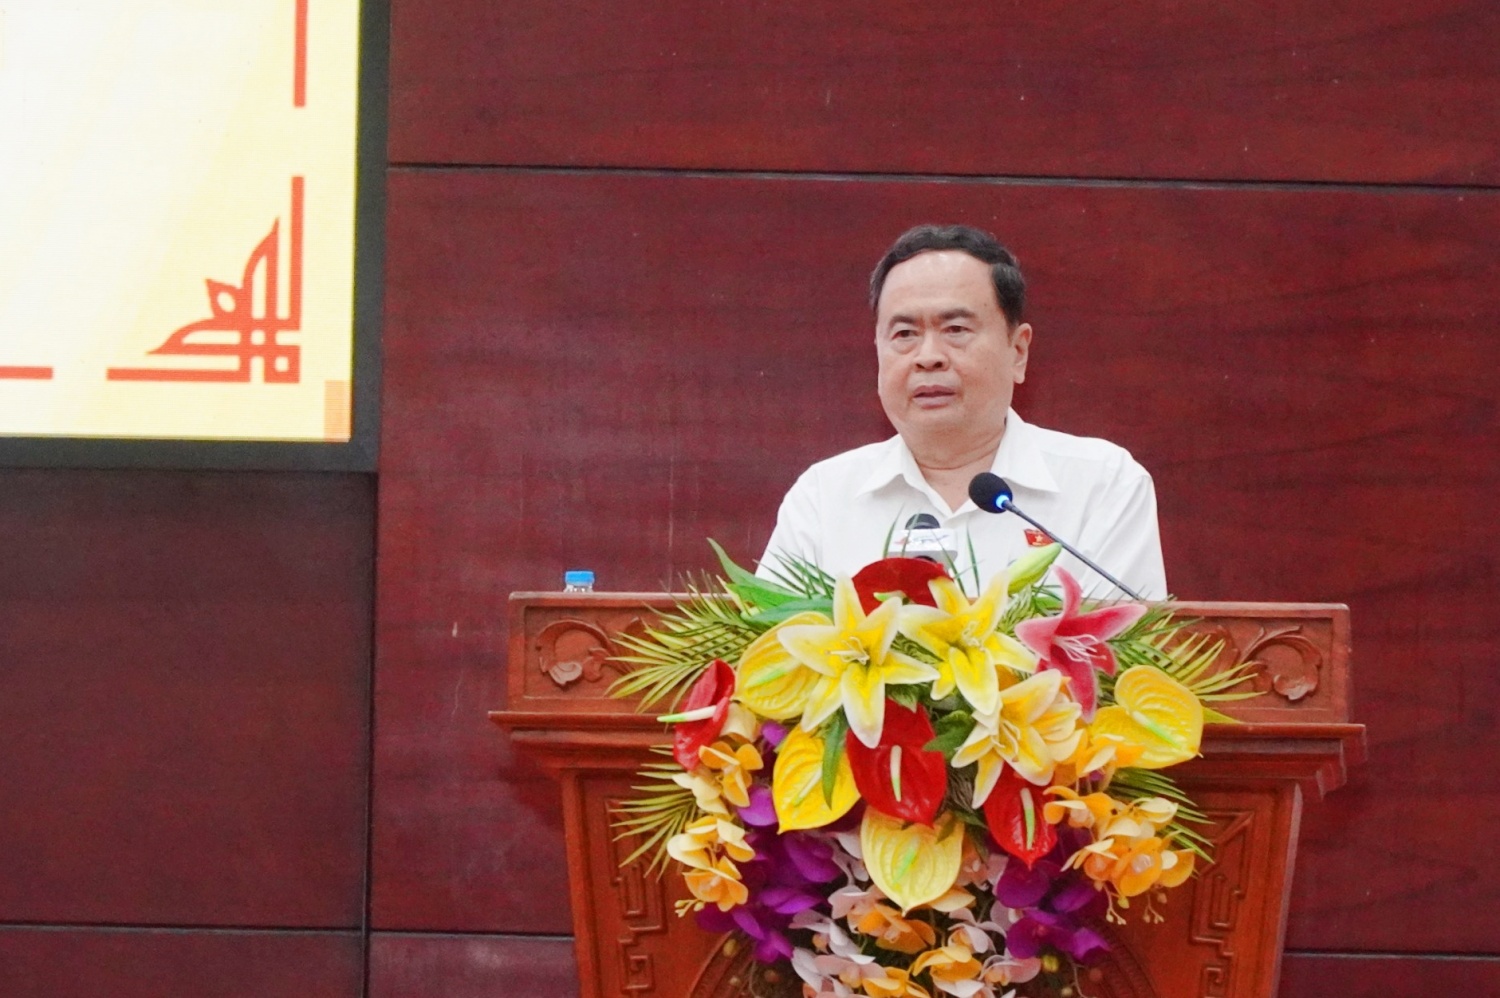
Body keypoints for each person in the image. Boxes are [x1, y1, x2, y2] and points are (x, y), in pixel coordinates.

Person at [758, 224, 1168, 600]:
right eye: (905, 334)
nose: (928, 357)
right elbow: (769, 648)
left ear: (1018, 351)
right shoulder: (825, 497)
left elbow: (1120, 648)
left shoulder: (1102, 484)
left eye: (955, 330)